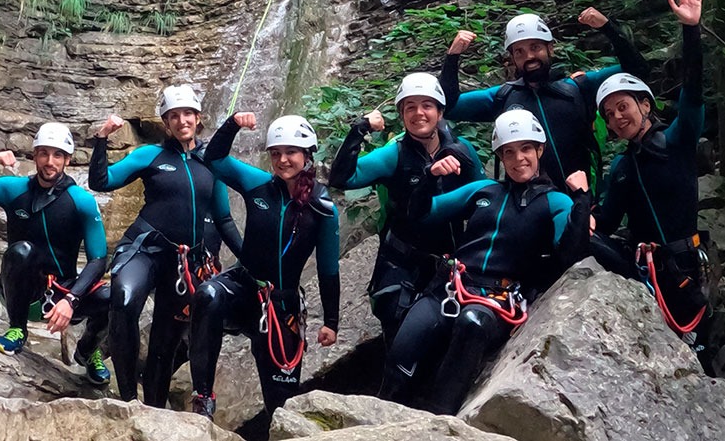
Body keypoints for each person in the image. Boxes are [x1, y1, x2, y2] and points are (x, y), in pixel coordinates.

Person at [378, 109, 591, 414]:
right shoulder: (484, 191)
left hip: (498, 299)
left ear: (540, 150)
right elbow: (421, 215)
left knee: (472, 323)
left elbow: (571, 255)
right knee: (403, 350)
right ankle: (378, 418)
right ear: (500, 158)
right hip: (450, 288)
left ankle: (440, 419)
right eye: (509, 152)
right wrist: (430, 177)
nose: (519, 159)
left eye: (526, 149)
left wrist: (582, 200)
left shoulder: (555, 201)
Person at [89, 85, 242, 407]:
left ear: (198, 118)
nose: (181, 120)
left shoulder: (212, 162)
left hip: (183, 262)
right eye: (174, 116)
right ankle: (128, 399)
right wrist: (101, 139)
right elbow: (101, 182)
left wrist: (251, 261)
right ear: (166, 122)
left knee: (165, 343)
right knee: (125, 300)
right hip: (143, 249)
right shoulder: (150, 155)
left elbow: (224, 220)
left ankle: (155, 410)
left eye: (187, 114)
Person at [189, 112, 340, 419]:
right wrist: (233, 123)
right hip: (242, 287)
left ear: (308, 154)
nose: (282, 160)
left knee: (281, 406)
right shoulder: (258, 184)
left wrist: (332, 321)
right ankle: (203, 398)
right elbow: (213, 158)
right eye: (276, 153)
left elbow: (328, 268)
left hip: (281, 306)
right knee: (207, 295)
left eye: (291, 152)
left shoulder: (323, 208)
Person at [328, 72, 484, 347]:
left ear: (439, 111)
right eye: (410, 107)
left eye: (426, 105)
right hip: (402, 263)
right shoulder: (395, 154)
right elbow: (343, 179)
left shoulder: (463, 151)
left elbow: (485, 198)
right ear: (401, 114)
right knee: (398, 327)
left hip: (451, 260)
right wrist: (359, 129)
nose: (419, 113)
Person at [0, 122, 111, 385]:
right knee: (21, 250)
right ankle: (17, 330)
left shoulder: (81, 200)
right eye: (43, 153)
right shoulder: (14, 189)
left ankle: (88, 351)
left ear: (67, 159)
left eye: (57, 155)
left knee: (112, 295)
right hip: (23, 290)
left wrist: (71, 299)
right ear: (34, 155)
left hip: (64, 293)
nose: (49, 161)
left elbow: (98, 259)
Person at [592, 0, 708, 342]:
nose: (616, 118)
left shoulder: (676, 140)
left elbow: (692, 92)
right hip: (642, 270)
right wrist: (575, 204)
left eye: (622, 107)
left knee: (694, 346)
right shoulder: (623, 168)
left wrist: (691, 31)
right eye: (608, 114)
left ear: (645, 105)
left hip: (683, 267)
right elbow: (606, 222)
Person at [440, 7, 649, 194]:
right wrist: (453, 56)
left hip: (584, 200)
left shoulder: (577, 87)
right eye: (519, 52)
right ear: (512, 59)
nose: (529, 56)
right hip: (534, 210)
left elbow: (638, 71)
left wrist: (607, 27)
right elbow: (447, 106)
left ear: (550, 48)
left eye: (535, 47)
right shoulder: (503, 96)